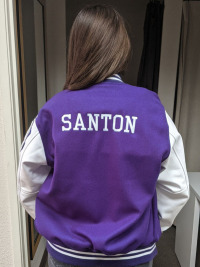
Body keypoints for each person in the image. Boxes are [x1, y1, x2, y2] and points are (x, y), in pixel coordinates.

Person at [17, 4, 190, 267]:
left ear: (76, 49)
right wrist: (141, 228)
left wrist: (57, 224)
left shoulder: (54, 110)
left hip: (68, 254)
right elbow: (177, 188)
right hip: (133, 255)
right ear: (122, 50)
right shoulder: (153, 110)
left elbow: (27, 181)